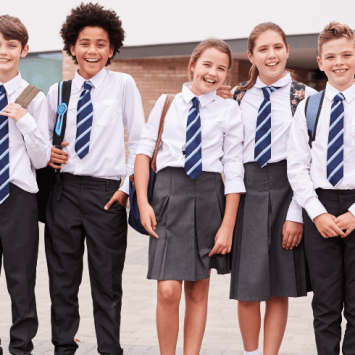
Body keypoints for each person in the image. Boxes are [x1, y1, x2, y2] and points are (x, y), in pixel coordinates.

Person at [45, 3, 145, 354]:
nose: (92, 50)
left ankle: (109, 349)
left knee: (106, 281)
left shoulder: (123, 84)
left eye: (101, 44)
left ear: (112, 49)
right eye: (84, 43)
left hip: (107, 194)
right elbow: (43, 146)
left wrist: (124, 187)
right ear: (72, 46)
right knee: (62, 280)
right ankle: (62, 346)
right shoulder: (58, 93)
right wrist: (49, 153)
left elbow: (139, 140)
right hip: (65, 193)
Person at [134, 38, 244, 355]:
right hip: (168, 197)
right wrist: (143, 202)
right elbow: (142, 153)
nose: (213, 73)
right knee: (168, 290)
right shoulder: (166, 103)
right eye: (207, 64)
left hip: (210, 198)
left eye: (221, 68)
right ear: (193, 64)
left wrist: (228, 225)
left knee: (198, 289)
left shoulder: (229, 110)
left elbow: (234, 169)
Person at [219, 22, 315, 355]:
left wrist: (297, 214)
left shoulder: (308, 98)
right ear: (251, 55)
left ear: (287, 50)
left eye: (277, 47)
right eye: (263, 49)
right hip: (247, 193)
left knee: (278, 287)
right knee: (247, 287)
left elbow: (310, 164)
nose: (271, 55)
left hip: (289, 191)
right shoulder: (235, 97)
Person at [287, 22, 355, 355]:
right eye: (331, 56)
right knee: (326, 304)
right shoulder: (309, 108)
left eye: (346, 54)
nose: (339, 62)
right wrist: (316, 213)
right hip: (321, 205)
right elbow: (297, 167)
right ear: (320, 60)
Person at [0, 14, 50, 355]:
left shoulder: (36, 98)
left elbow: (42, 159)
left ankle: (21, 347)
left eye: (11, 45)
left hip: (18, 198)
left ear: (24, 50)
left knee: (21, 279)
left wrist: (26, 121)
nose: (3, 51)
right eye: (0, 44)